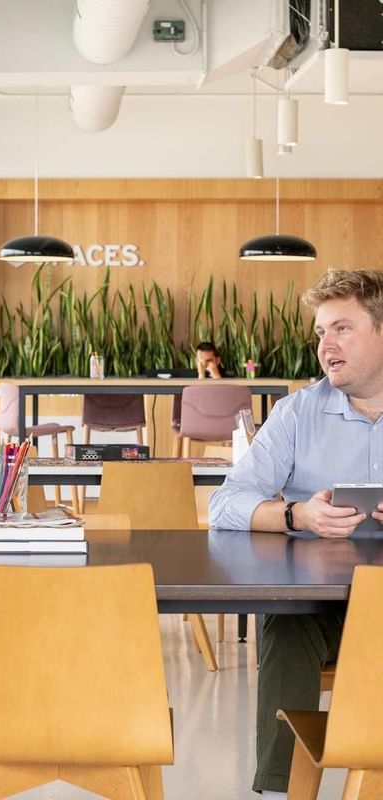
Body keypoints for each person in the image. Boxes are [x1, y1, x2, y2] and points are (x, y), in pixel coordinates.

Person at [209, 268, 383, 800]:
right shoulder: (295, 414)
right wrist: (297, 516)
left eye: (342, 329)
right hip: (322, 609)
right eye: (321, 333)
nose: (326, 346)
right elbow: (225, 504)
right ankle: (281, 791)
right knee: (285, 627)